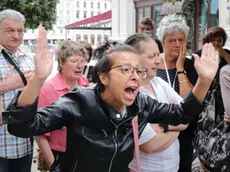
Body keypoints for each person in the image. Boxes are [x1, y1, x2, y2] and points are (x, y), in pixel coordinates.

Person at [1, 25, 219, 172]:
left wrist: (204, 80)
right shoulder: (79, 101)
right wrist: (38, 80)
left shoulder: (140, 102)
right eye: (125, 69)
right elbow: (22, 127)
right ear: (103, 77)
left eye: (137, 70)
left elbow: (181, 113)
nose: (135, 75)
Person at [126, 33, 187, 172]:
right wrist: (176, 125)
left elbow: (187, 115)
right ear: (133, 58)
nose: (158, 60)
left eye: (157, 55)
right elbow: (150, 145)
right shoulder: (129, 94)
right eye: (151, 56)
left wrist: (164, 126)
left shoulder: (159, 82)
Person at [35, 40, 90, 171]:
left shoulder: (86, 84)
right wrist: (54, 165)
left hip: (85, 155)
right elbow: (40, 133)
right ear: (61, 63)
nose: (79, 66)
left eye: (82, 61)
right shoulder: (48, 89)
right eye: (74, 61)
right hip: (60, 156)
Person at [156, 13, 198, 172]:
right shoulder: (154, 63)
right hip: (158, 128)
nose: (177, 44)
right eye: (171, 41)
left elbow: (189, 101)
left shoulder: (191, 65)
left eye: (181, 40)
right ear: (163, 43)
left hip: (185, 132)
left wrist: (180, 69)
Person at [0, 9, 34, 172]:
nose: (16, 35)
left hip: (24, 144)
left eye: (20, 30)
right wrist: (6, 86)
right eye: (10, 30)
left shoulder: (28, 56)